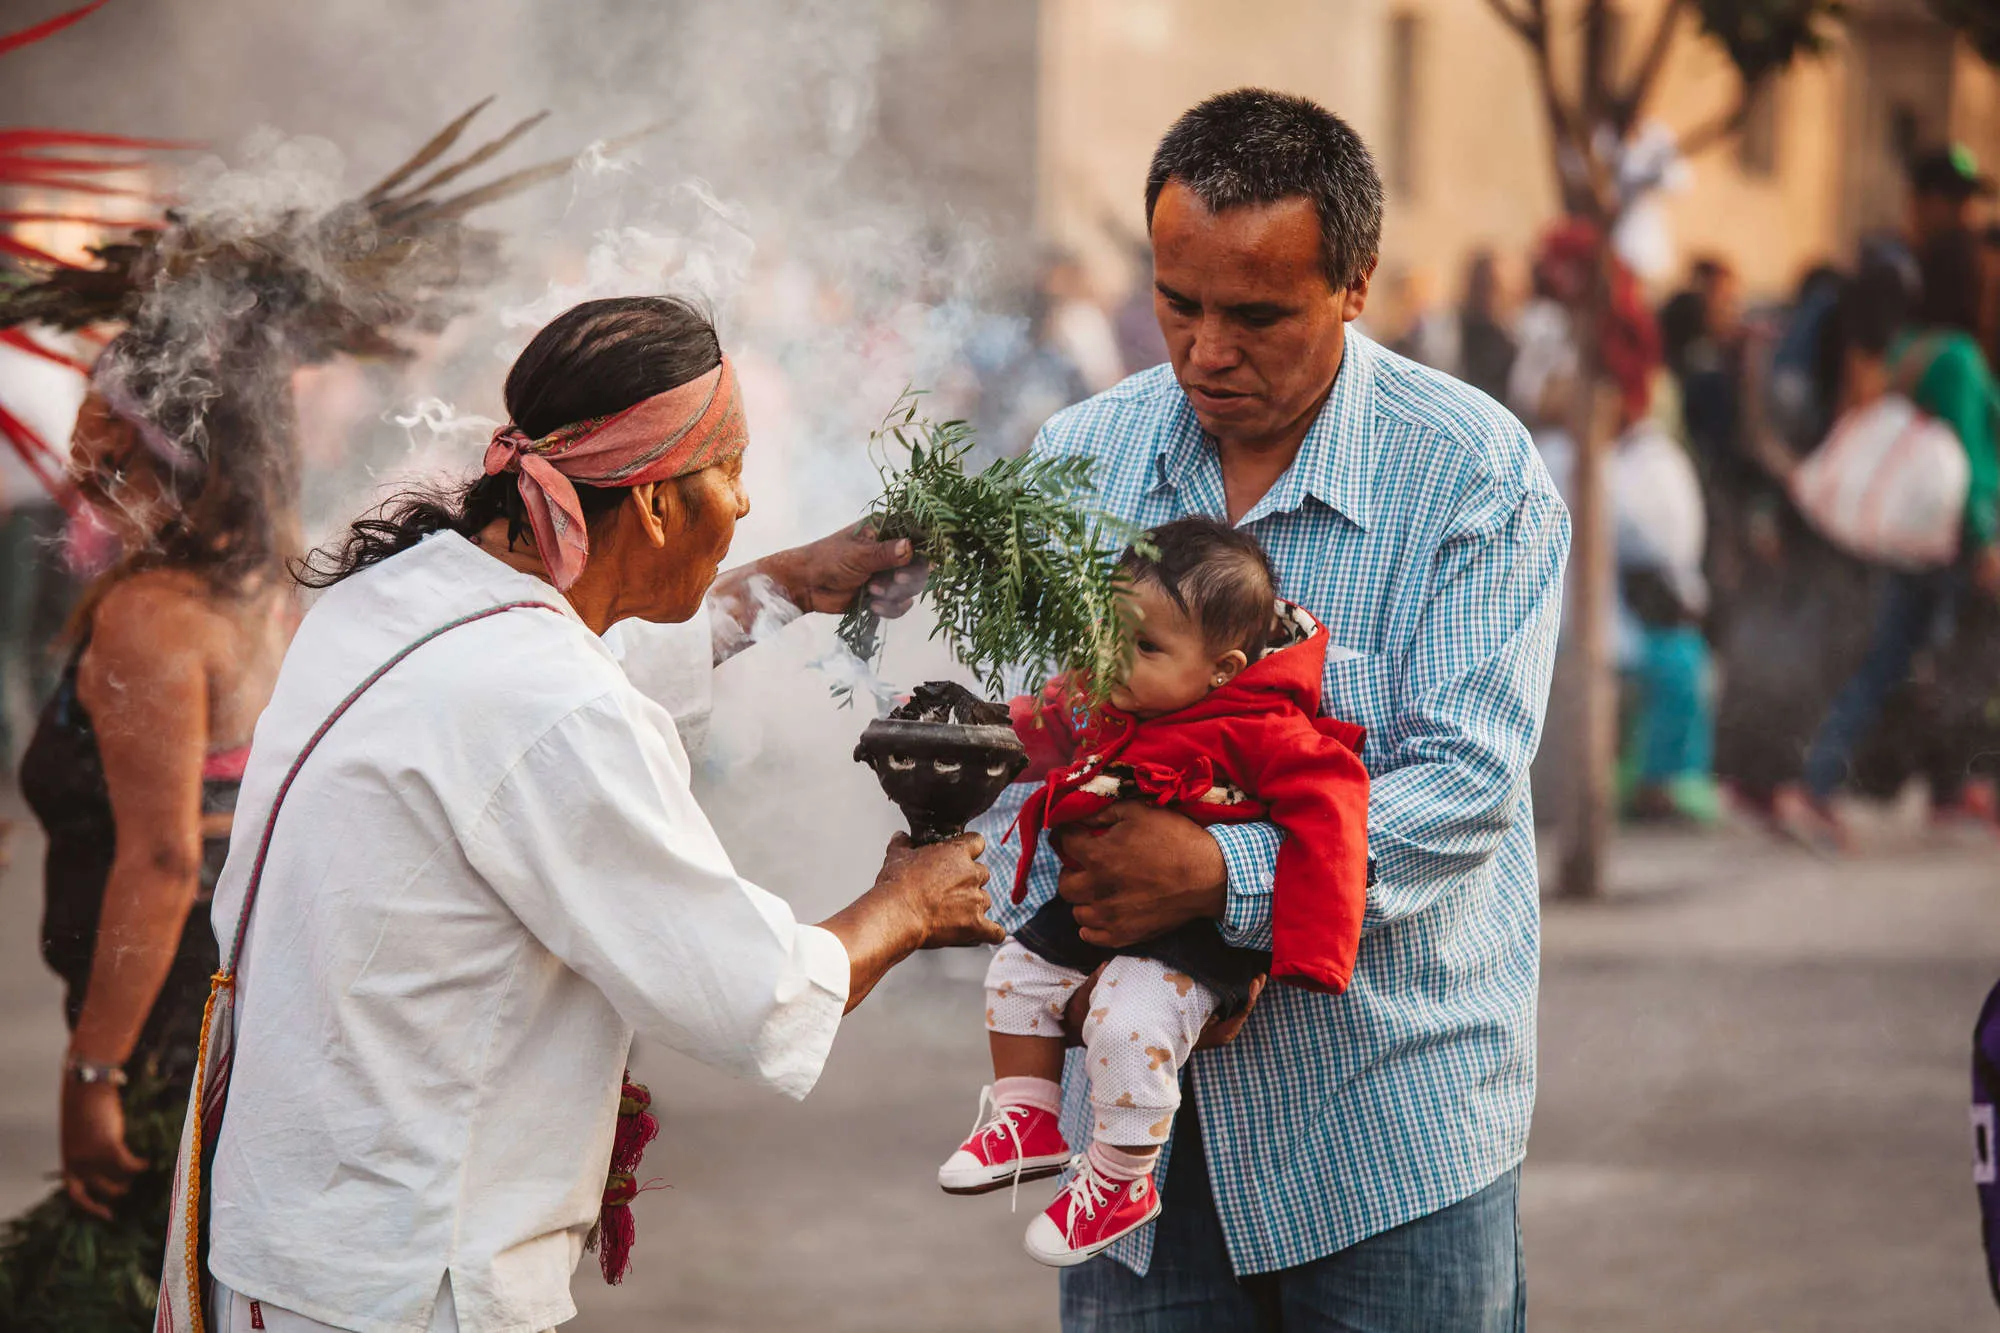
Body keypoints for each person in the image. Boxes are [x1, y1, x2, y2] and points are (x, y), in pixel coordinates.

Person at [183, 296, 999, 1332]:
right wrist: (908, 903)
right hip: (397, 1279)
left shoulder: (397, 595)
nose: (745, 506)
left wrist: (788, 583)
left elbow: (576, 670)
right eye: (730, 471)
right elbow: (748, 993)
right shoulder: (551, 705)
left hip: (293, 1236)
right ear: (655, 504)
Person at [975, 89, 1565, 1330]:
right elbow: (1025, 746)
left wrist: (1214, 874)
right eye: (1174, 305)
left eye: (1255, 316)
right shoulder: (1083, 459)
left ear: (1354, 284)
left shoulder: (1473, 471)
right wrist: (1043, 900)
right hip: (1137, 1159)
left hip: (1386, 1135)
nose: (1202, 351)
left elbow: (1459, 784)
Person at [938, 517, 1369, 1267]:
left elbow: (1335, 817)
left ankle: (1120, 1179)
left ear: (1222, 668)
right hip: (1102, 902)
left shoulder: (1262, 725)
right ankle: (1028, 1119)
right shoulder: (1110, 699)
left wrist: (1312, 952)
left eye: (1144, 647)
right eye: (1108, 633)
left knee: (1126, 1016)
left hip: (1198, 932)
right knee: (1016, 973)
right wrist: (974, 723)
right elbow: (1042, 725)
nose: (1111, 659)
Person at [0, 325, 302, 1331]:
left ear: (143, 438)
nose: (73, 432)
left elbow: (168, 857)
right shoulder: (259, 575)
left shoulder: (154, 615)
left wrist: (94, 1071)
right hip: (220, 1000)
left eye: (97, 408)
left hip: (166, 1029)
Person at [1777, 263, 2000, 839]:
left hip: (1912, 545)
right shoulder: (1959, 359)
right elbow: (1969, 460)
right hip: (1955, 544)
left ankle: (1835, 783)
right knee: (1957, 667)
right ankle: (1955, 786)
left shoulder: (1906, 349)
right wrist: (1986, 539)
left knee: (1895, 663)